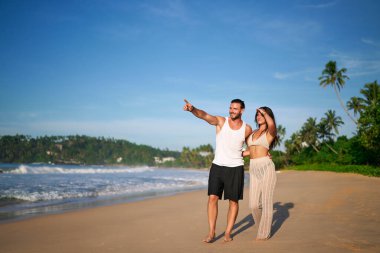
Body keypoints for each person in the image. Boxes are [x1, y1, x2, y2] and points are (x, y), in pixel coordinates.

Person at [183, 98, 252, 243]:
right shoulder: (221, 121)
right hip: (218, 166)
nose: (232, 111)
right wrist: (193, 109)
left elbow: (251, 147)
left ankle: (227, 233)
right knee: (212, 198)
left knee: (233, 201)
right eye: (230, 108)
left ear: (242, 111)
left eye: (235, 108)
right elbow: (204, 115)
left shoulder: (247, 129)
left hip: (236, 168)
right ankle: (212, 232)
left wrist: (243, 153)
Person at [243, 106, 278, 241]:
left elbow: (272, 124)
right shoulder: (252, 133)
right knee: (253, 205)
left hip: (266, 167)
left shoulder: (270, 131)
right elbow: (250, 151)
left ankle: (264, 234)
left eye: (261, 114)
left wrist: (264, 111)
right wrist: (236, 154)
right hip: (253, 168)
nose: (259, 116)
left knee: (266, 202)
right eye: (257, 114)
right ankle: (261, 227)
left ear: (267, 116)